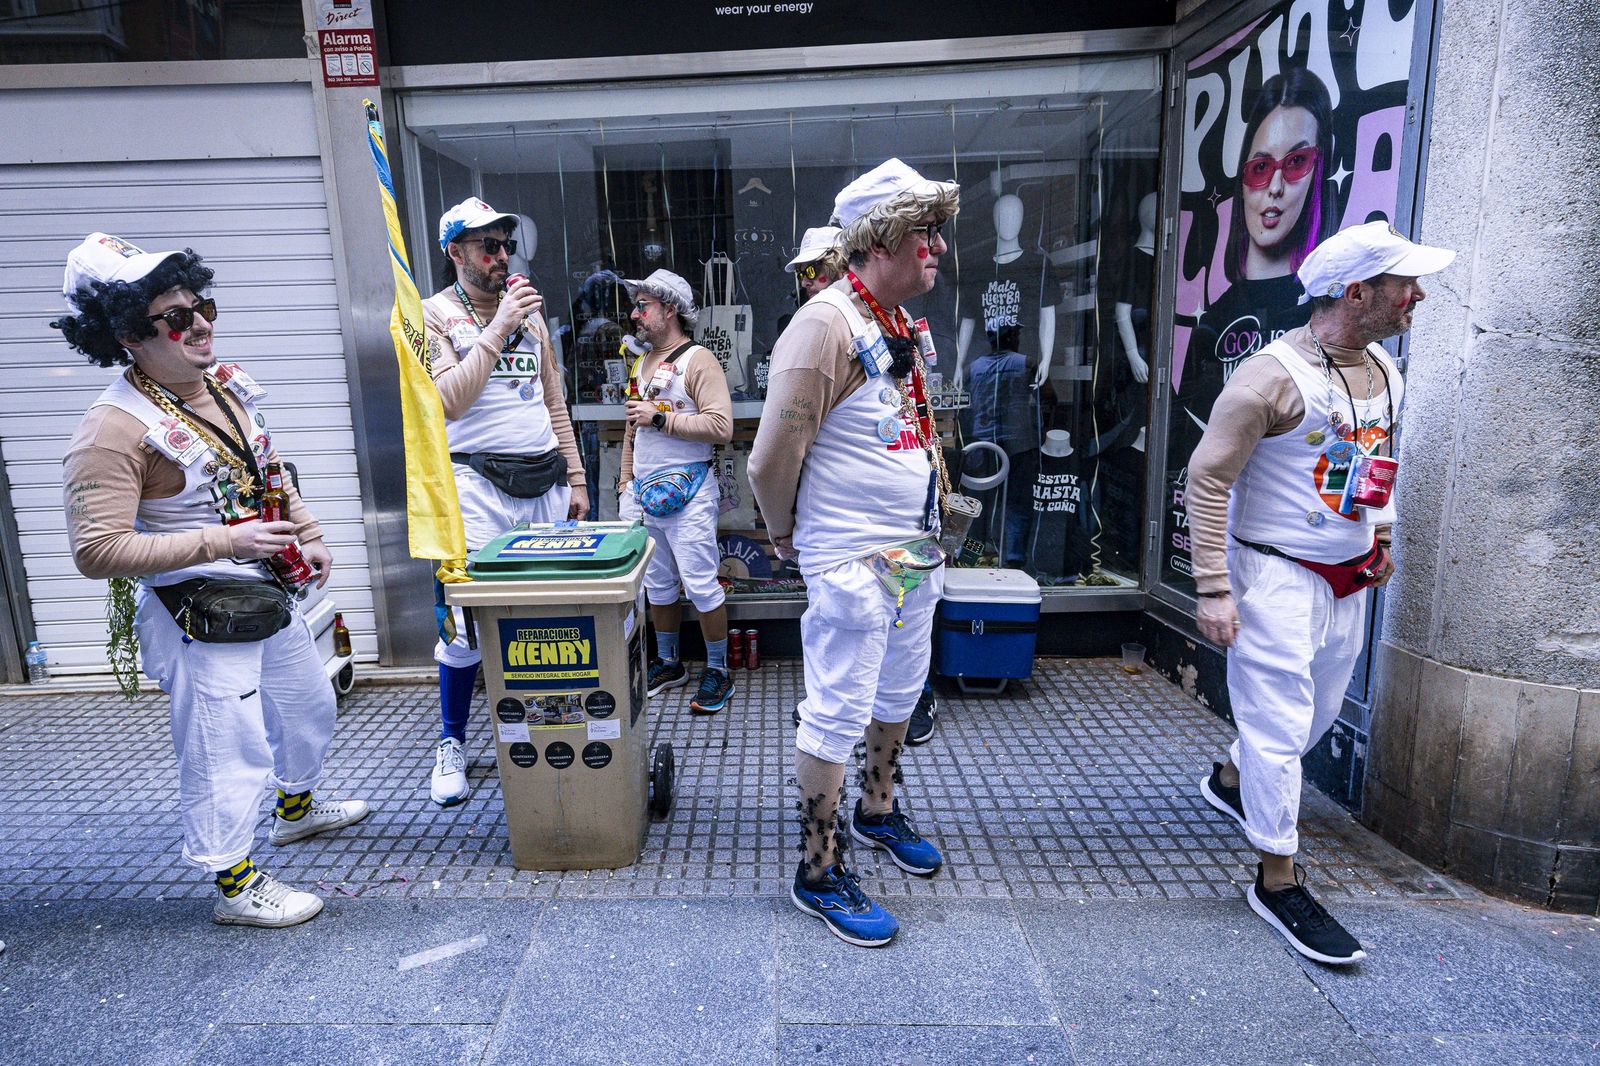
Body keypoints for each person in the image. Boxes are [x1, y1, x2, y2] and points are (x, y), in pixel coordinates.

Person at [55, 233, 369, 928]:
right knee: (226, 747)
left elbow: (268, 469)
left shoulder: (225, 387)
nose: (200, 325)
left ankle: (296, 810)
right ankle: (235, 883)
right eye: (175, 318)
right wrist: (224, 541)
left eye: (202, 307)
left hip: (262, 592)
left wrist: (308, 533)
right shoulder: (111, 429)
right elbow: (96, 549)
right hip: (194, 612)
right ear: (129, 336)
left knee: (309, 707)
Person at [1186, 220, 1454, 965]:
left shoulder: (1382, 372)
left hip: (1349, 573)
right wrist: (1213, 588)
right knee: (1280, 722)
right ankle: (1277, 880)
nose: (1419, 297)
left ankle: (1233, 777)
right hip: (1274, 574)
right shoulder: (1269, 378)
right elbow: (1207, 481)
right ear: (1358, 292)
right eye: (1405, 286)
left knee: (1321, 711)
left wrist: (1385, 539)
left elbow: (1374, 464)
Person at [750, 158, 958, 946]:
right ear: (880, 237)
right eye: (923, 232)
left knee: (898, 694)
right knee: (835, 711)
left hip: (911, 553)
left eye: (937, 231)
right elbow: (772, 456)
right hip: (850, 560)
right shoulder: (827, 322)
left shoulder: (893, 320)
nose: (937, 246)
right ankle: (817, 869)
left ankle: (875, 810)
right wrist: (781, 535)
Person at [424, 198, 588, 806]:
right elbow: (447, 402)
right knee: (465, 623)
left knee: (548, 608)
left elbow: (553, 402)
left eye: (503, 245)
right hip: (476, 487)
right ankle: (450, 742)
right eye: (485, 246)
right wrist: (496, 329)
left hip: (542, 480)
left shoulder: (533, 318)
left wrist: (575, 477)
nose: (499, 256)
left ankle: (550, 728)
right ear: (455, 253)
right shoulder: (431, 316)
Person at [1172, 67, 1335, 459]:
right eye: (1261, 168)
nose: (1275, 187)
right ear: (1243, 182)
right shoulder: (1215, 319)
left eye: (1296, 162)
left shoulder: (1327, 314)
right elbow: (1184, 446)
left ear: (1318, 173)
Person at [618, 269, 736, 714]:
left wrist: (661, 418)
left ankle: (719, 670)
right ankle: (669, 662)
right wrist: (625, 481)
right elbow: (634, 427)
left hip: (690, 491)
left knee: (702, 585)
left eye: (643, 305)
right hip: (645, 493)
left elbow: (721, 426)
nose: (635, 314)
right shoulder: (641, 362)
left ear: (669, 309)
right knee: (658, 585)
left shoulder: (699, 359)